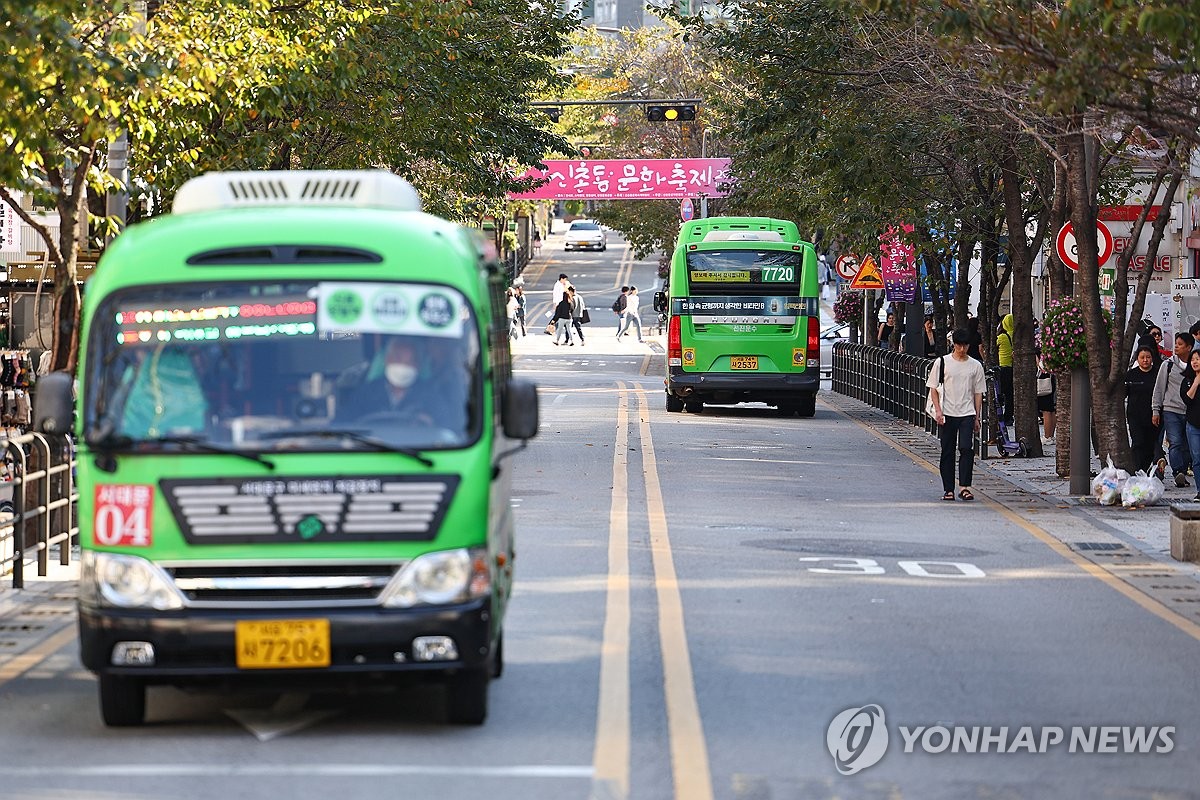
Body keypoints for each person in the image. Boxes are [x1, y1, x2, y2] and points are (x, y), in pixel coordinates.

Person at [926, 328, 987, 501]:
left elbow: (978, 393)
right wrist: (938, 411)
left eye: (965, 345)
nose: (962, 349)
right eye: (959, 345)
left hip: (967, 412)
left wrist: (977, 417)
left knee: (967, 449)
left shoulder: (976, 366)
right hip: (947, 413)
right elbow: (933, 388)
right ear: (954, 344)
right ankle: (948, 489)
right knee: (947, 451)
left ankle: (965, 487)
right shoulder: (942, 362)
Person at [337, 336, 437, 424]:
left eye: (410, 361)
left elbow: (446, 429)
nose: (403, 365)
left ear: (418, 366)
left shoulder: (430, 395)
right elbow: (342, 424)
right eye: (398, 359)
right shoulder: (366, 392)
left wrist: (430, 422)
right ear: (387, 360)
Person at [1153, 331, 1194, 487]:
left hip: (1190, 411)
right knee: (1175, 442)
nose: (1176, 347)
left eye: (1180, 345)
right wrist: (1156, 410)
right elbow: (1159, 389)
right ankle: (1178, 472)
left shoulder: (1195, 364)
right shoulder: (1168, 365)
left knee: (1188, 444)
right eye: (1176, 344)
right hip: (1171, 410)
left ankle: (1182, 471)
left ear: (1189, 347)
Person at [1126, 344, 1164, 474]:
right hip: (1135, 414)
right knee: (1138, 442)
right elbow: (1123, 393)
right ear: (1137, 359)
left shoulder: (1158, 373)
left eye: (1148, 357)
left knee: (1150, 444)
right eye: (1142, 357)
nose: (1145, 360)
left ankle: (1147, 468)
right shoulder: (1131, 374)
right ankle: (1136, 469)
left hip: (1154, 415)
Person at [1178, 349, 1200, 501]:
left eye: (1198, 359)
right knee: (1197, 459)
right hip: (1193, 425)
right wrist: (1197, 381)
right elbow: (1187, 399)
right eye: (1193, 359)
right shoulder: (1187, 380)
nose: (1195, 362)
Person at [995, 313, 1015, 424]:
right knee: (1009, 394)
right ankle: (1009, 416)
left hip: (1003, 367)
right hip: (1012, 368)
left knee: (999, 392)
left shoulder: (1002, 336)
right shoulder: (1016, 335)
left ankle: (998, 416)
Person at [1035, 350, 1056, 443]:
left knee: (1046, 410)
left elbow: (1041, 366)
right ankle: (1050, 435)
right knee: (1051, 410)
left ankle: (1047, 436)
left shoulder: (1042, 352)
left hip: (1045, 381)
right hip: (1052, 380)